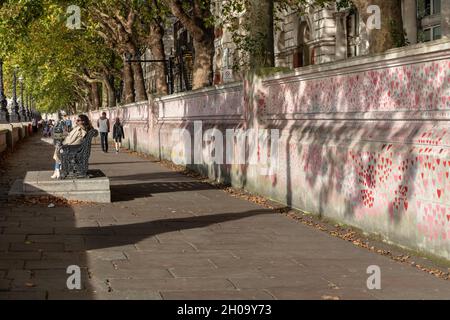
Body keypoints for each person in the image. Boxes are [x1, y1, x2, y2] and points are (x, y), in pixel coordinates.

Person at [51, 114, 93, 179]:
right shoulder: (79, 128)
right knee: (58, 148)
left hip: (73, 149)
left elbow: (70, 140)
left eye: (78, 120)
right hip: (75, 147)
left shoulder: (80, 130)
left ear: (83, 121)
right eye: (76, 120)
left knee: (58, 148)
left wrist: (62, 142)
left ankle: (57, 170)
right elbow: (71, 137)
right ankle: (57, 169)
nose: (76, 121)